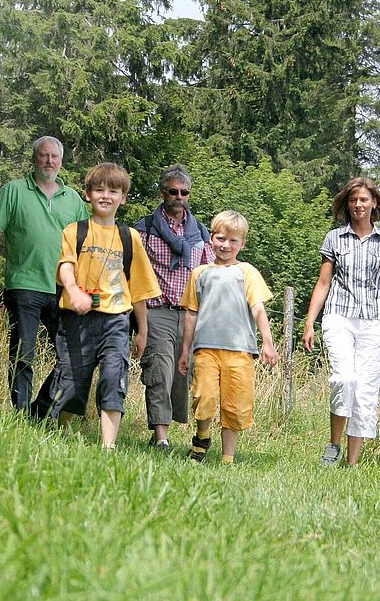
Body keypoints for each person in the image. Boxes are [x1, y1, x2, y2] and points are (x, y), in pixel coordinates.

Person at [48, 162, 161, 449]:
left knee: (114, 378)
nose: (105, 196)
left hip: (116, 321)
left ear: (123, 197)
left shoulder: (130, 238)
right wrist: (73, 291)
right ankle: (62, 435)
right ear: (87, 194)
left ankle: (108, 446)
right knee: (73, 381)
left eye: (113, 191)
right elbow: (65, 267)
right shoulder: (75, 231)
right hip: (77, 319)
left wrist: (143, 331)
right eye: (99, 190)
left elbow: (139, 290)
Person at [302, 177, 380, 467]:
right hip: (339, 316)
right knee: (344, 379)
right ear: (346, 204)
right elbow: (323, 283)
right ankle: (333, 444)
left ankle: (351, 464)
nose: (358, 205)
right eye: (353, 200)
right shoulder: (335, 238)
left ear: (374, 202)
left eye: (363, 199)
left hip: (374, 321)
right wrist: (310, 321)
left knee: (365, 391)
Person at [0, 136, 88, 414]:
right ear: (34, 158)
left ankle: (41, 410)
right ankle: (21, 413)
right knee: (23, 354)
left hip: (63, 288)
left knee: (71, 355)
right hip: (24, 284)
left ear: (61, 162)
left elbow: (85, 244)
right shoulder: (13, 191)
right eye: (43, 155)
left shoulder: (73, 199)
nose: (49, 161)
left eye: (54, 157)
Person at [178, 210, 278, 464]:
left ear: (242, 243)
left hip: (240, 350)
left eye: (233, 240)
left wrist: (267, 342)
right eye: (221, 238)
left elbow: (257, 307)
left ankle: (227, 457)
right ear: (211, 238)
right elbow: (191, 314)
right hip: (206, 348)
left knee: (235, 403)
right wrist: (184, 350)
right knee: (204, 395)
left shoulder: (246, 271)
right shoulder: (200, 273)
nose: (226, 245)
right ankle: (202, 438)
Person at [134, 164, 215, 451]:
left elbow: (212, 272)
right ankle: (161, 438)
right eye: (173, 191)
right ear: (162, 193)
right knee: (159, 369)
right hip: (157, 310)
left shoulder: (201, 233)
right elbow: (133, 272)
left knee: (184, 374)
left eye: (184, 192)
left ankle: (172, 428)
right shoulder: (144, 230)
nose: (179, 196)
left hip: (190, 313)